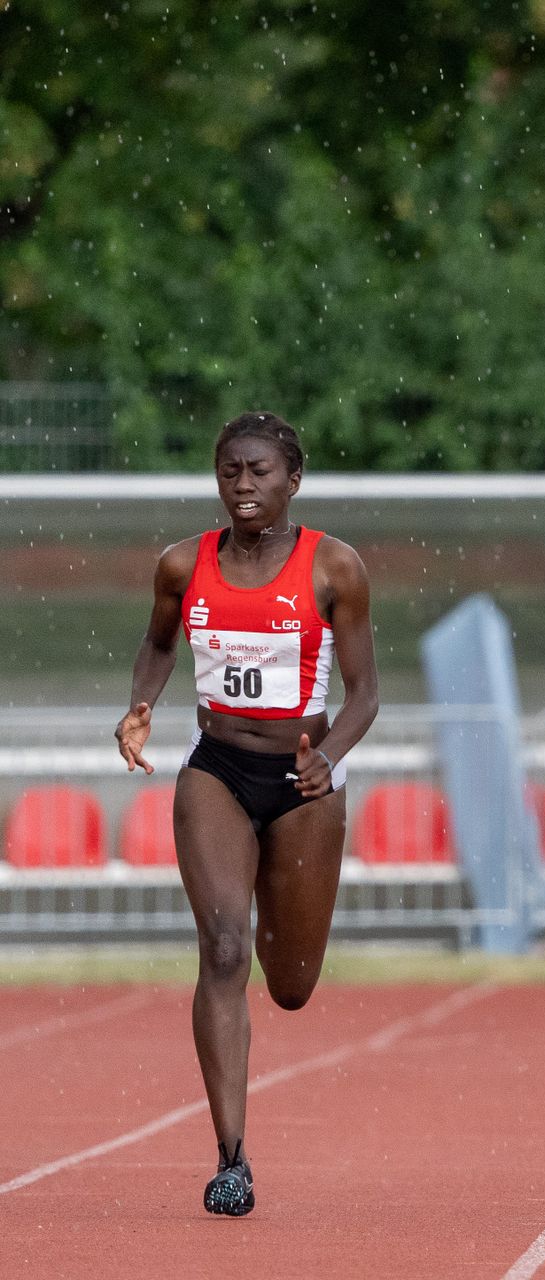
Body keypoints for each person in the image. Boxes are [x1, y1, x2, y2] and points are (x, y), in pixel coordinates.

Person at [113, 413, 378, 1216]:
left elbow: (365, 693)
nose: (243, 486)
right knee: (224, 952)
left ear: (292, 479)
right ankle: (232, 1159)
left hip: (301, 783)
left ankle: (274, 906)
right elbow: (160, 643)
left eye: (260, 472)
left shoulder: (335, 568)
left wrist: (326, 757)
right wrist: (140, 706)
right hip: (217, 770)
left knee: (290, 984)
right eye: (230, 472)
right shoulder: (181, 564)